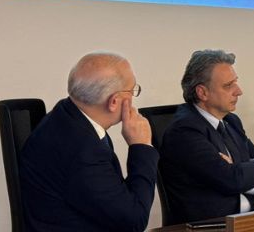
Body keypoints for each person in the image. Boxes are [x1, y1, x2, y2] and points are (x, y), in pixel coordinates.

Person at [19, 52, 157, 232]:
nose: (132, 98)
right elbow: (134, 220)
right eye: (131, 91)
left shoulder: (66, 114)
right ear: (114, 101)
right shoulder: (82, 151)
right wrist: (142, 146)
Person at [159, 50, 254, 224]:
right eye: (228, 86)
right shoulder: (184, 131)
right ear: (202, 93)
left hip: (251, 219)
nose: (239, 91)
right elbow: (232, 180)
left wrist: (246, 170)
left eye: (236, 82)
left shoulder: (231, 121)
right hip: (213, 226)